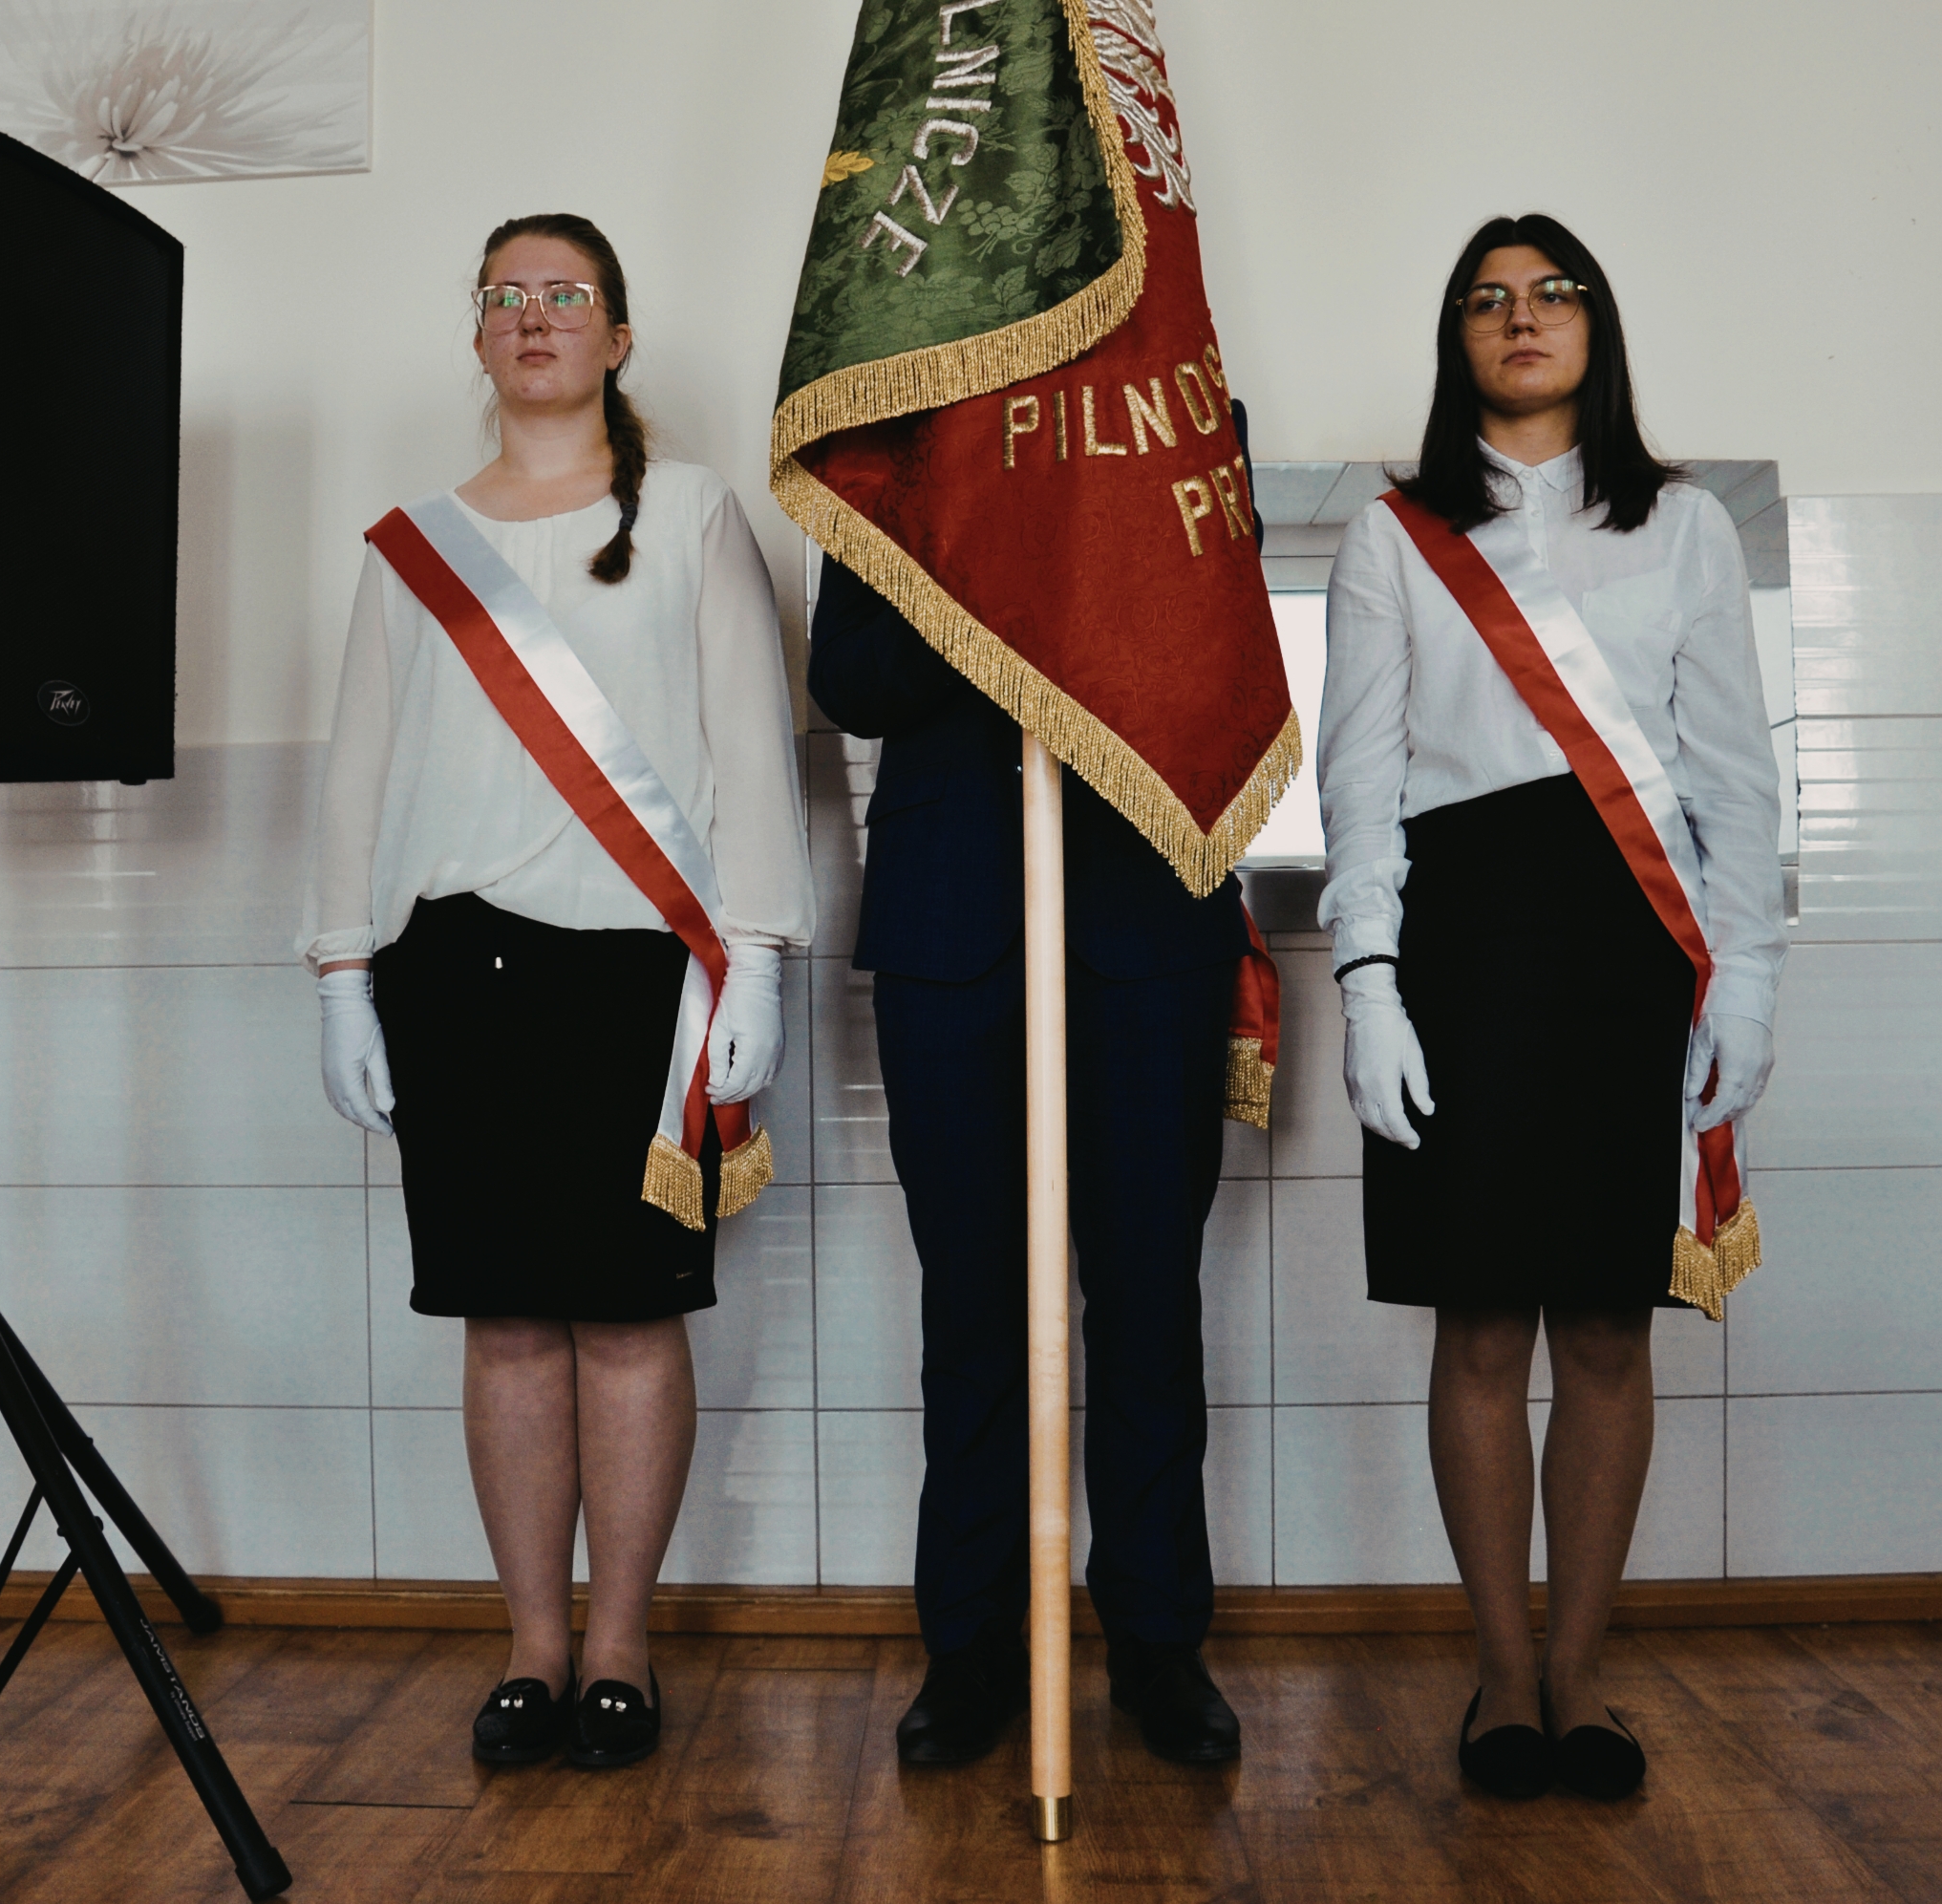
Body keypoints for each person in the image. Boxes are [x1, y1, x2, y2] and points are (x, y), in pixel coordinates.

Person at [301, 213, 811, 1771]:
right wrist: (341, 971)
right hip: (455, 974)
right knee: (507, 1323)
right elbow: (358, 770)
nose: (535, 315)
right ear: (479, 334)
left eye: (566, 293)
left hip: (635, 976)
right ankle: (531, 1643)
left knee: (631, 1319)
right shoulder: (413, 546)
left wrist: (760, 951)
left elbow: (749, 746)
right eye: (507, 296)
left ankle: (618, 1649)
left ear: (618, 334)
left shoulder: (696, 513)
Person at [1315, 212, 1783, 1802]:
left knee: (1601, 1318)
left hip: (1624, 947)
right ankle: (1501, 1676)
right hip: (1459, 946)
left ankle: (1581, 1675)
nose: (1522, 318)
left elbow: (1733, 780)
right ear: (1457, 339)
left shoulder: (1685, 527)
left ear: (1597, 325)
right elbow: (1360, 778)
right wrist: (1368, 981)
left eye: (1553, 292)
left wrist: (1748, 978)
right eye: (1487, 299)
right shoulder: (1394, 535)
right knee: (1476, 1319)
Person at [806, 572, 1251, 1769]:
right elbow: (849, 679)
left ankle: (1157, 1639)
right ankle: (971, 1645)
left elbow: (1219, 634)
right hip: (948, 911)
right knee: (972, 1305)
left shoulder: (1160, 449)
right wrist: (990, 584)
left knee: (1150, 1301)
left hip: (1148, 909)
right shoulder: (897, 467)